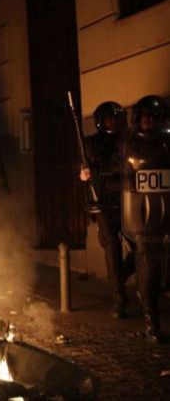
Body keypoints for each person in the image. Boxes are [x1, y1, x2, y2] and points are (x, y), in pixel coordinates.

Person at [121, 95, 170, 343]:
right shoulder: (128, 145)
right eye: (144, 118)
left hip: (167, 217)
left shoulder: (168, 142)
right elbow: (112, 172)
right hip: (143, 221)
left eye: (152, 118)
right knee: (149, 272)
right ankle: (152, 323)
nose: (148, 122)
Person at [79, 101, 134, 318]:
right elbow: (86, 168)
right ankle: (119, 299)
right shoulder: (91, 143)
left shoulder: (129, 141)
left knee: (140, 248)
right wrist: (84, 173)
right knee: (112, 249)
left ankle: (120, 275)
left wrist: (100, 172)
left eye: (114, 117)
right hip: (103, 203)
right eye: (108, 118)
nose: (112, 122)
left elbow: (122, 166)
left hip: (129, 200)